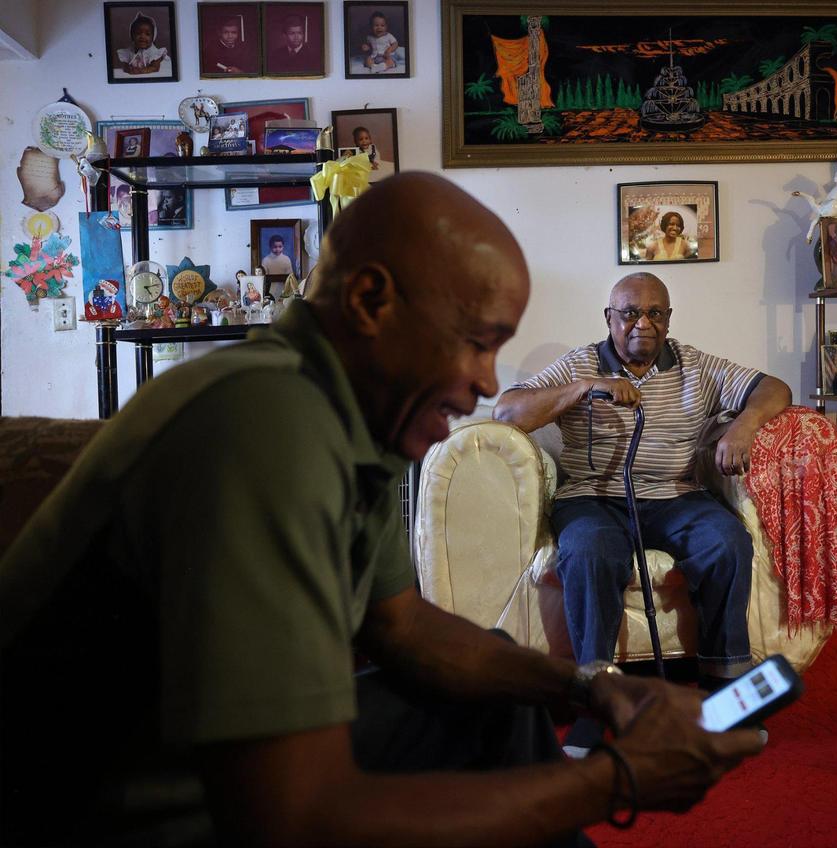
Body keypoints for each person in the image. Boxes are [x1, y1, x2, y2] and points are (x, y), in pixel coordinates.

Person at [0, 173, 764, 847]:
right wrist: (618, 780)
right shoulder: (264, 425)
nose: (482, 381)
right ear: (370, 301)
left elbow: (402, 625)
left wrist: (586, 688)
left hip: (186, 755)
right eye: (474, 341)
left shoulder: (341, 419)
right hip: (98, 805)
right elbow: (296, 820)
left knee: (505, 709)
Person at [493, 271, 792, 711]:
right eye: (630, 313)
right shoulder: (578, 364)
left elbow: (774, 387)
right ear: (609, 318)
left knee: (727, 543)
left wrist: (743, 427)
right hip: (593, 499)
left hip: (676, 496)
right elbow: (507, 410)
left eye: (654, 313)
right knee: (592, 551)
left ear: (668, 319)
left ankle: (723, 689)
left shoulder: (697, 365)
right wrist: (585, 388)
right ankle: (596, 695)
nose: (642, 323)